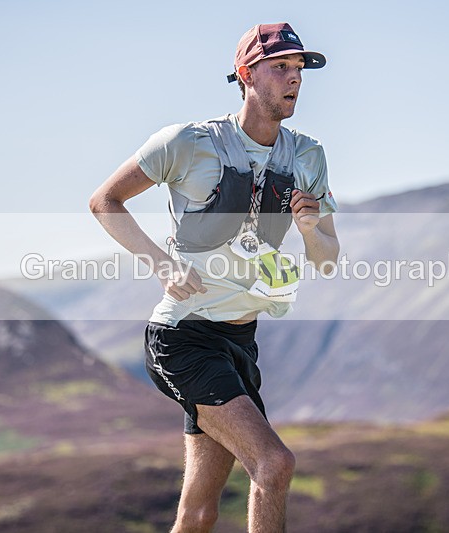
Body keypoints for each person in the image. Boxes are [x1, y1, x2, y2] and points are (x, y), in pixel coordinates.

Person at [89, 22, 339, 532]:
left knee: (199, 509)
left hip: (240, 341)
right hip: (183, 337)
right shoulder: (188, 142)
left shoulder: (307, 155)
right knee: (274, 464)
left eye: (300, 70)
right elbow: (104, 201)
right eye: (281, 68)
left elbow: (328, 259)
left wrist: (311, 230)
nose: (295, 80)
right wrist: (161, 264)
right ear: (247, 75)